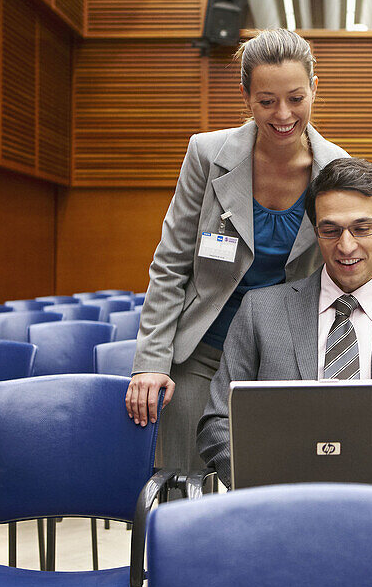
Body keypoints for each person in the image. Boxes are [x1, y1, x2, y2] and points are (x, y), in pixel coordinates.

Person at [126, 29, 349, 472]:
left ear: (315, 90)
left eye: (295, 98)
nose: (283, 114)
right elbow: (170, 264)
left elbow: (345, 271)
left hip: (283, 355)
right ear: (246, 95)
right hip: (203, 352)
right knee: (183, 488)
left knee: (275, 489)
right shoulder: (207, 154)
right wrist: (150, 362)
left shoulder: (337, 170)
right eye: (266, 101)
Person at [197, 158, 372, 488]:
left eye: (362, 228)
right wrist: (266, 478)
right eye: (330, 230)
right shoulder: (261, 312)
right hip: (280, 501)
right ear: (314, 229)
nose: (346, 247)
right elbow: (217, 422)